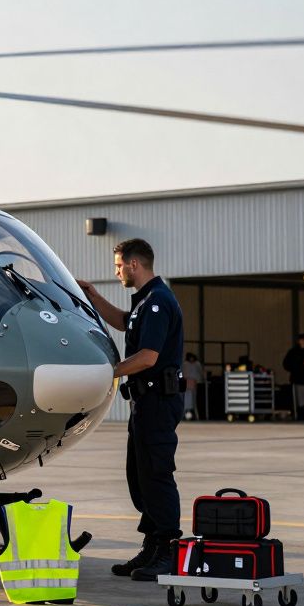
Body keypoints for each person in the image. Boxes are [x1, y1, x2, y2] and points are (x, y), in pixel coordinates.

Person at [76, 238, 185, 582]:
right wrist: (93, 296)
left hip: (158, 402)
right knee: (140, 477)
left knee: (156, 474)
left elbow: (148, 357)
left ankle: (167, 549)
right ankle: (152, 546)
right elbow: (125, 322)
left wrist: (107, 372)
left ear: (134, 264)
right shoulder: (145, 302)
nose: (117, 272)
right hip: (145, 402)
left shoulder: (158, 302)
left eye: (119, 266)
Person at [182, 353, 204, 420]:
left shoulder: (197, 364)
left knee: (193, 399)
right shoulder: (185, 364)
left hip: (194, 383)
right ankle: (186, 412)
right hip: (187, 383)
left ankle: (193, 413)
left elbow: (200, 373)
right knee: (186, 398)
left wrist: (200, 380)